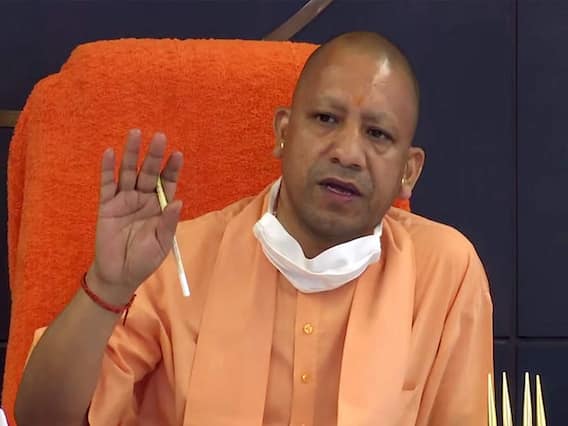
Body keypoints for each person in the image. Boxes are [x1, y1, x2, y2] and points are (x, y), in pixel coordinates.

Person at [14, 31, 493, 426]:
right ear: (283, 132)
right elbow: (40, 419)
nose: (348, 153)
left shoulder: (445, 272)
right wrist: (107, 285)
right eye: (326, 119)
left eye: (377, 134)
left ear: (408, 171)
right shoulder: (175, 258)